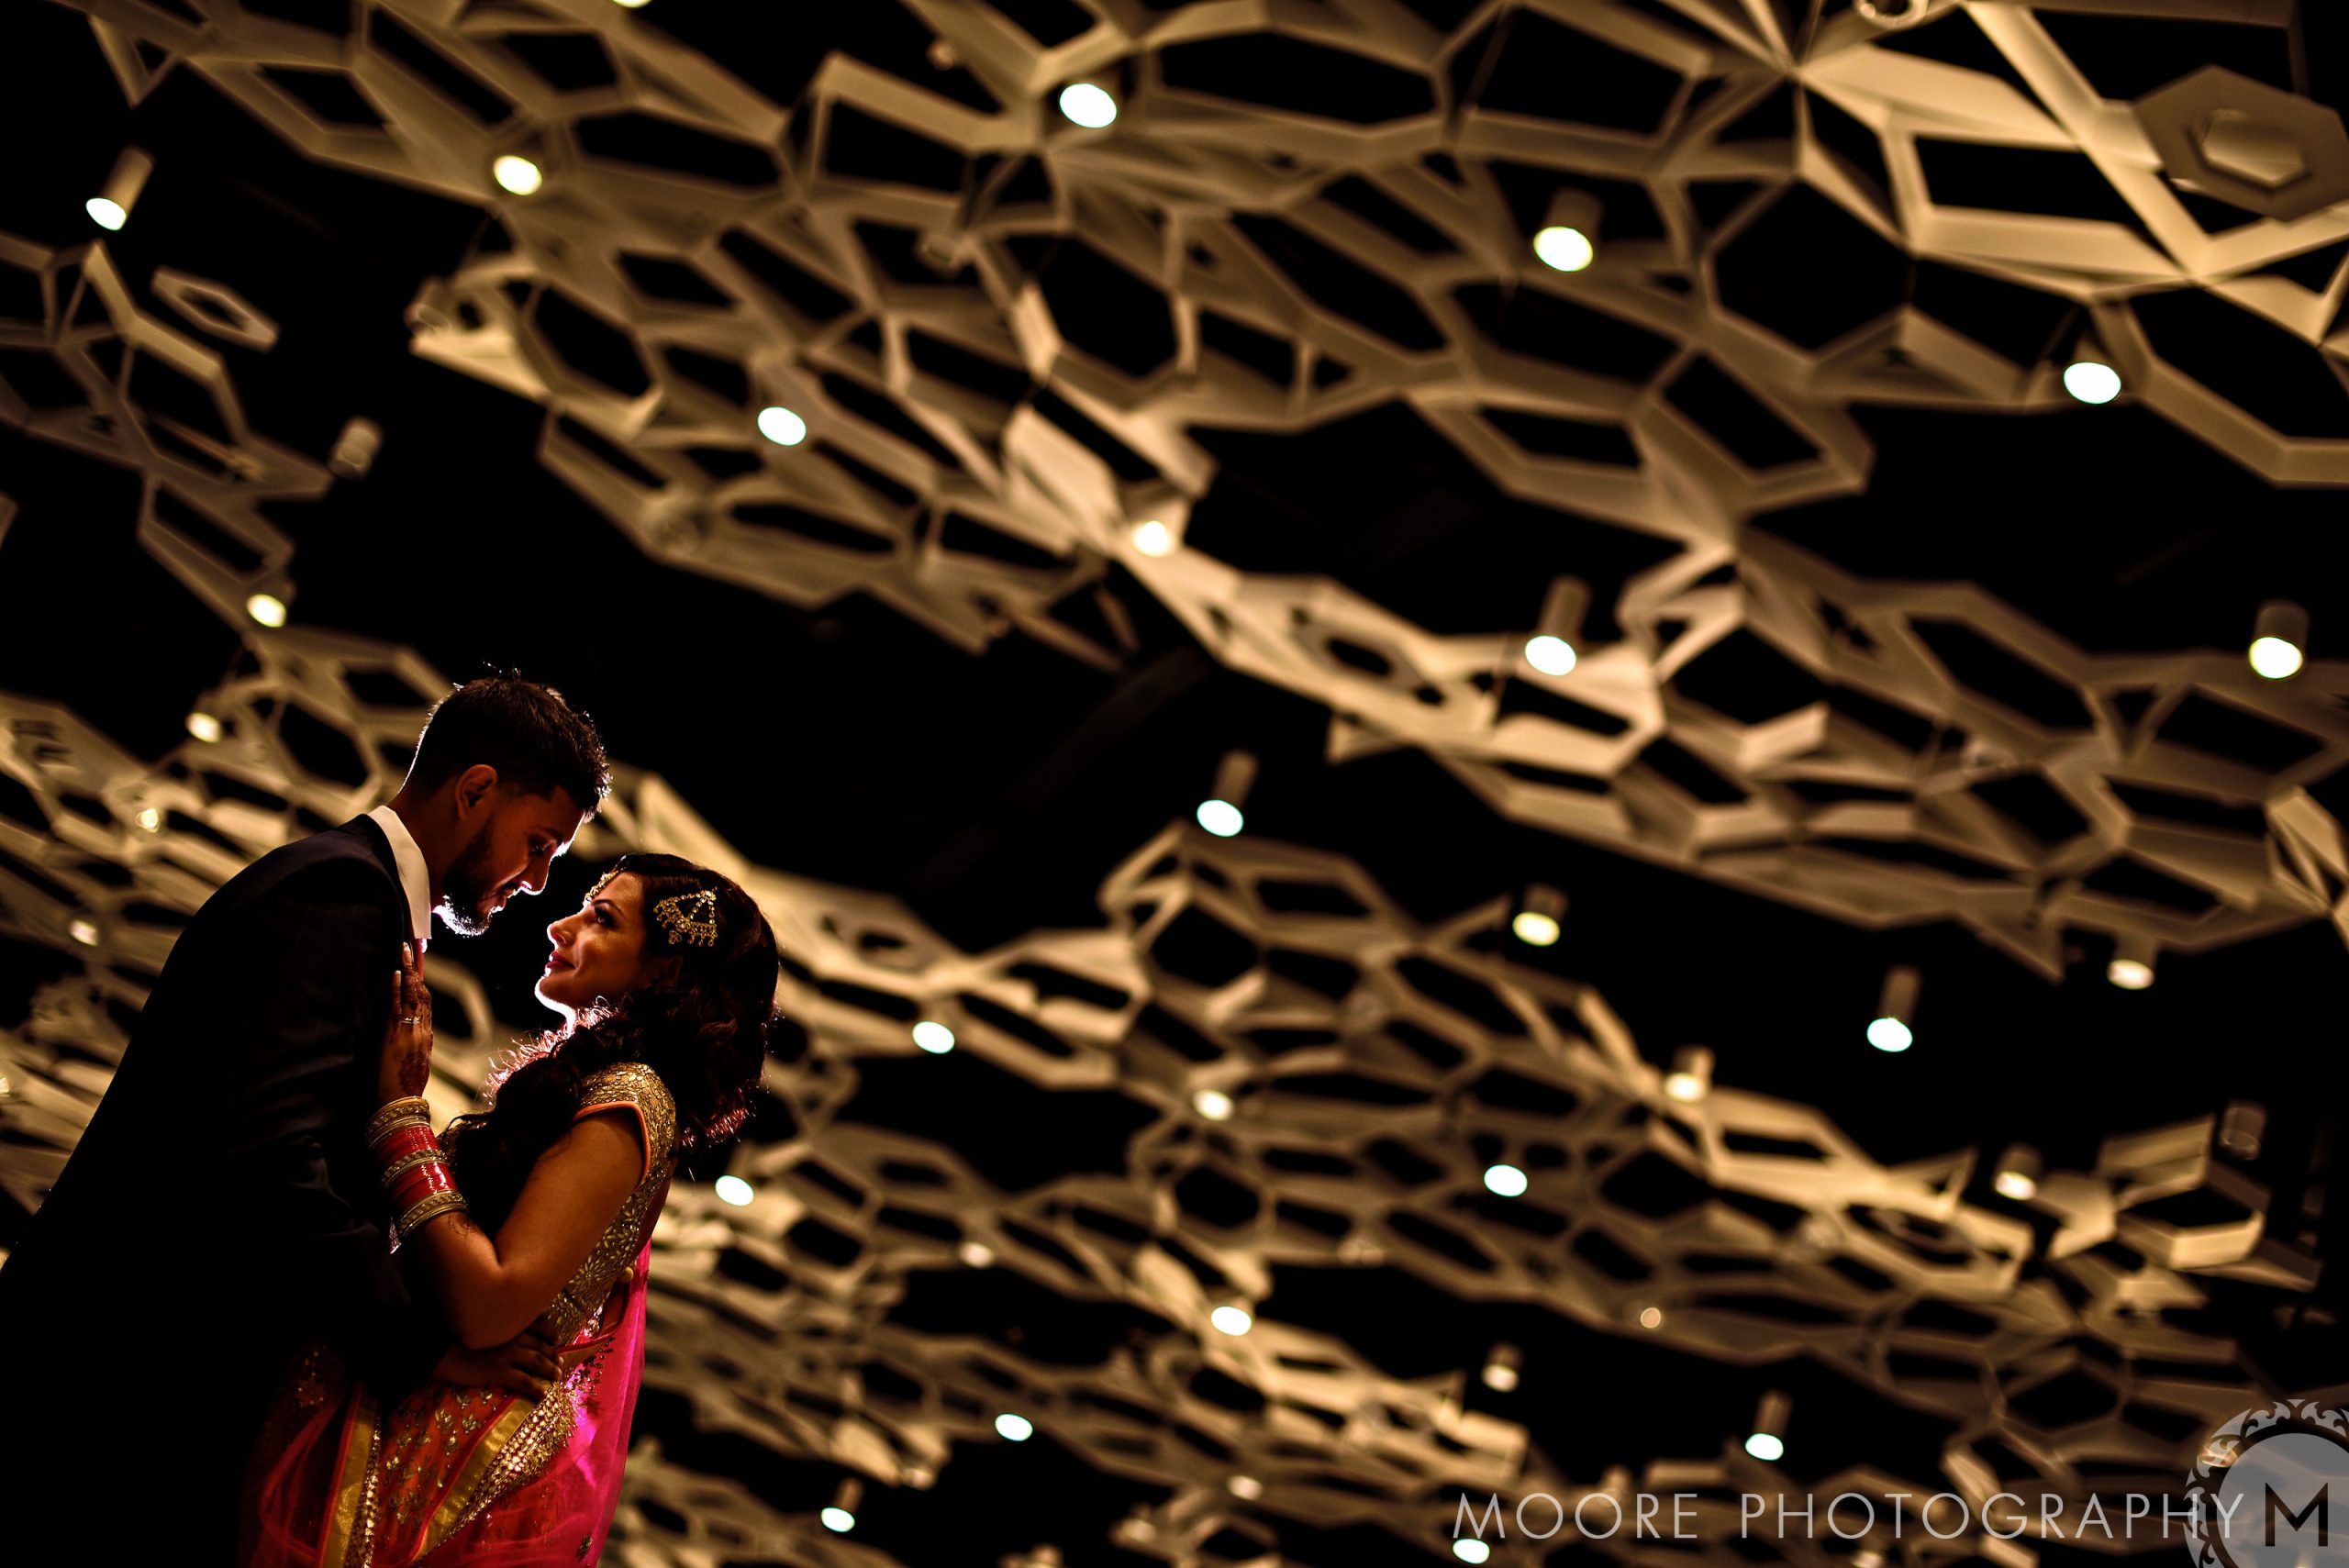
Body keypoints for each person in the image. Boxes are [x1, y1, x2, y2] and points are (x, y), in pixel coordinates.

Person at [0, 675, 607, 1563]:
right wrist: (415, 1340)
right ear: (475, 788)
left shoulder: (351, 900)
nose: (537, 879)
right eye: (539, 841)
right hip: (115, 1391)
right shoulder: (337, 902)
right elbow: (268, 1159)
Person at [244, 854, 780, 1566]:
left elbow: (490, 1303)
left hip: (440, 1449)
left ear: (664, 973)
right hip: (420, 1403)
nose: (562, 922)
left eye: (602, 918)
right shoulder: (602, 1081)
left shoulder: (634, 1097)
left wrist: (402, 1118)